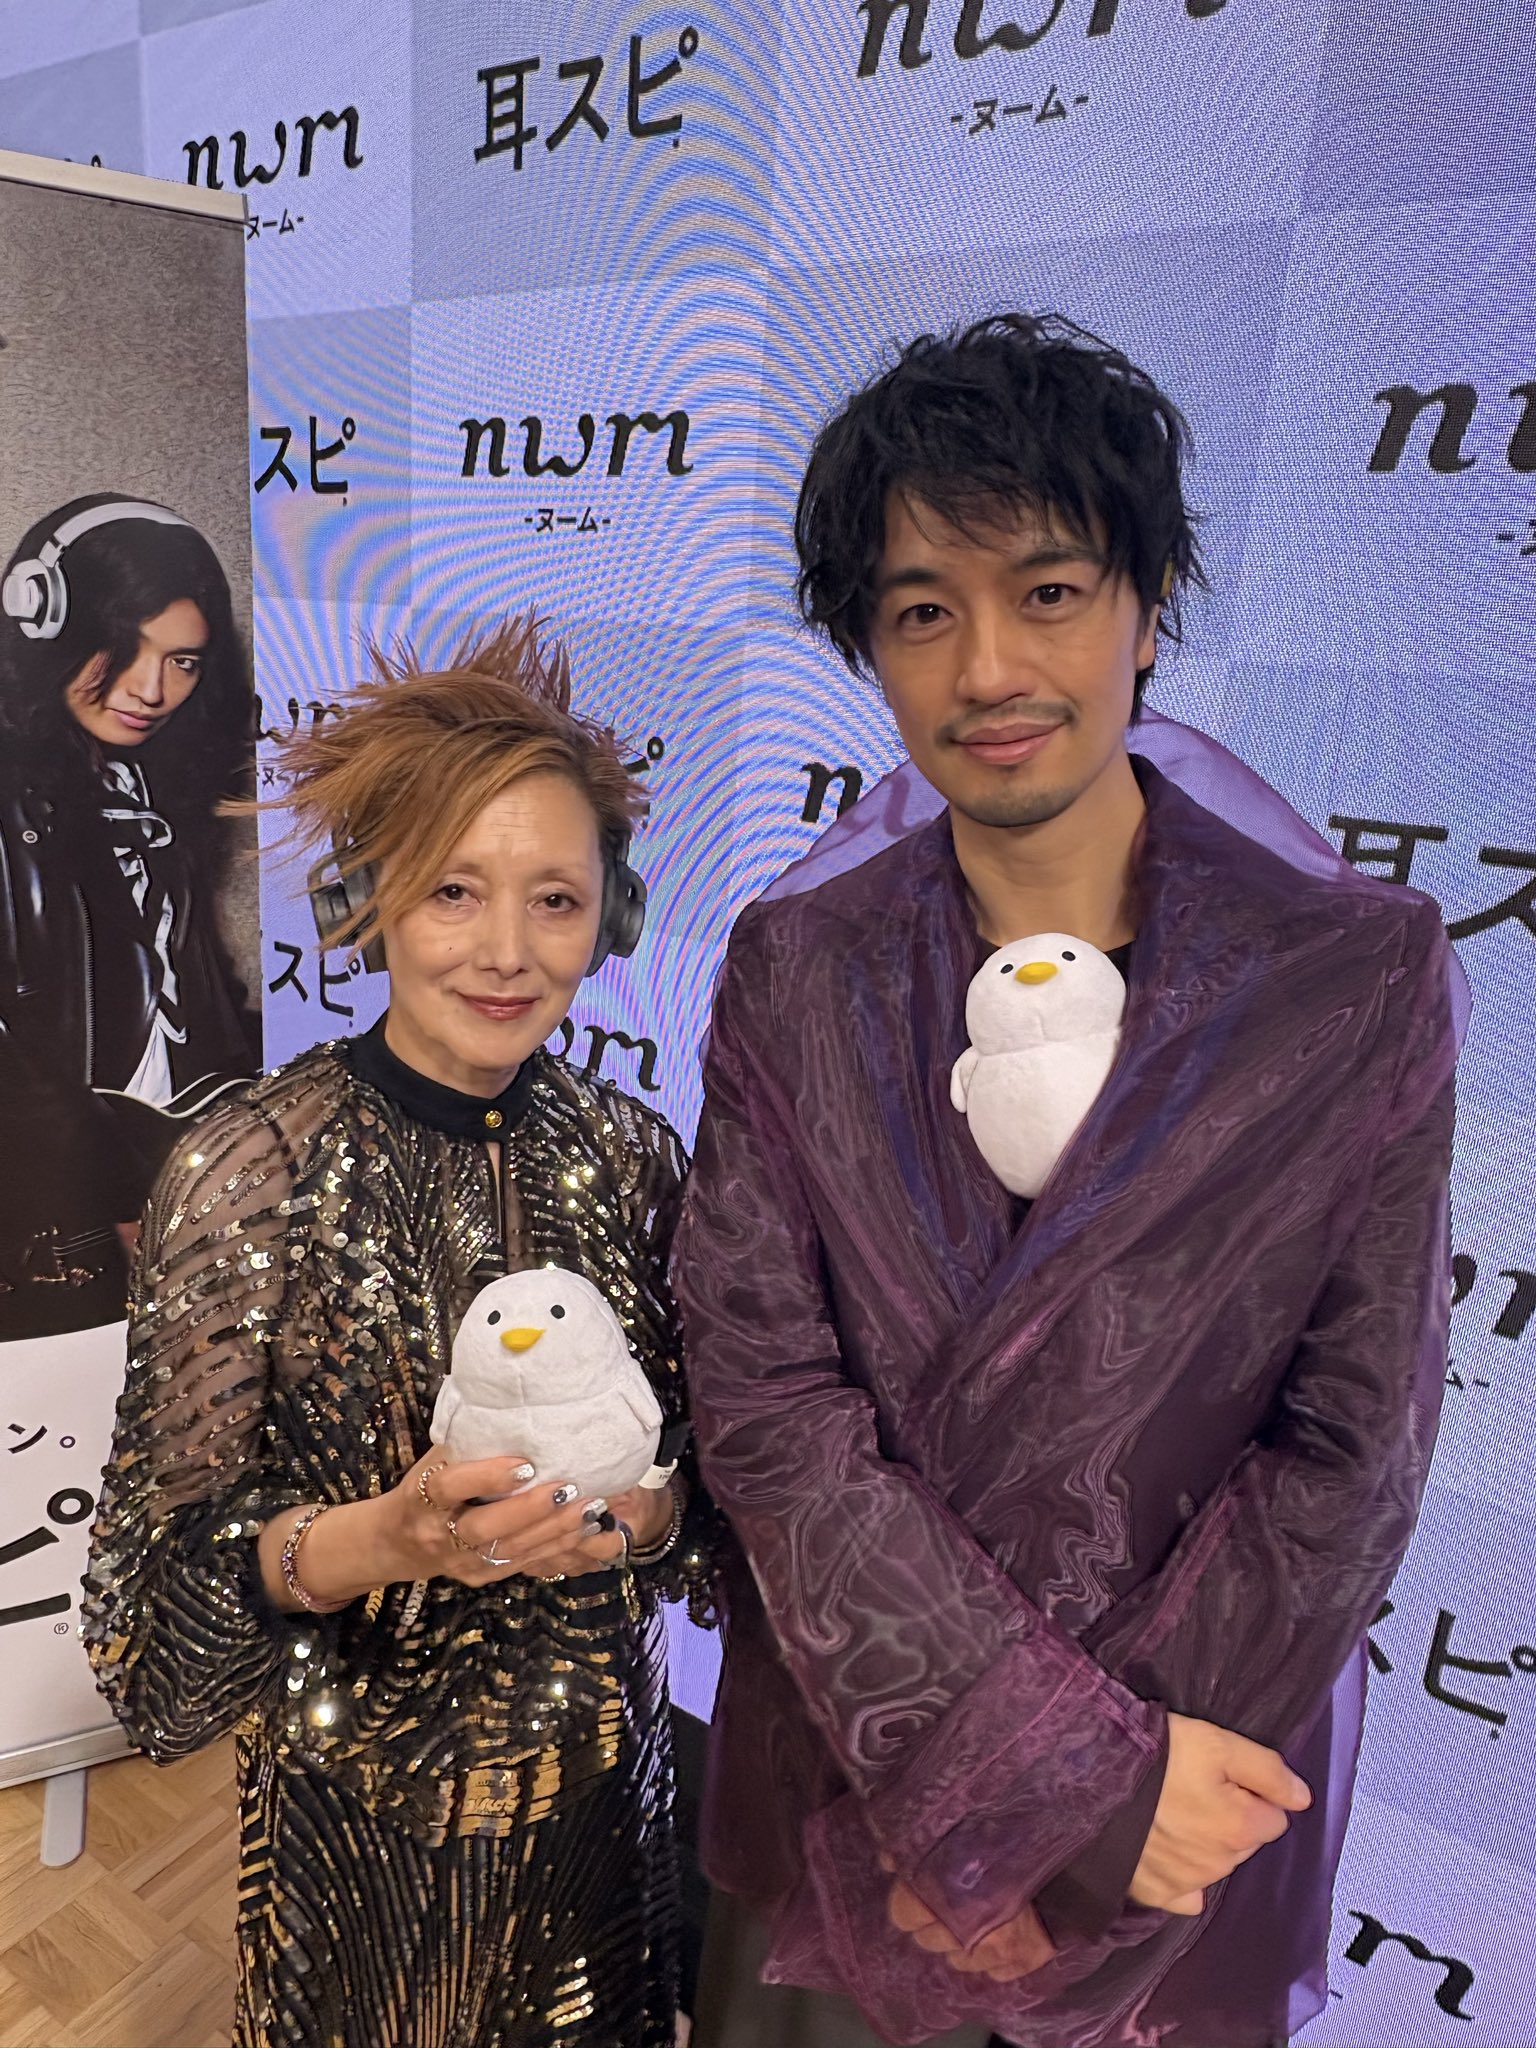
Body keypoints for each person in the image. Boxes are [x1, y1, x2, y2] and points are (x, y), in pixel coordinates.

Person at [673, 315, 1459, 2048]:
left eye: (1046, 592)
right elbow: (764, 1397)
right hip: (857, 1781)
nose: (988, 668)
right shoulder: (796, 969)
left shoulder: (1349, 976)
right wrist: (1018, 1780)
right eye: (920, 613)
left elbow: (1353, 1443)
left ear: (1146, 606)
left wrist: (1098, 1813)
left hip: (1187, 1806)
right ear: (867, 647)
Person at [83, 621, 720, 2048]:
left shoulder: (637, 1159)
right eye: (452, 890)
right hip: (354, 1846)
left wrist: (642, 1517)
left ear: (612, 918)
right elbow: (147, 1609)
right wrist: (393, 1538)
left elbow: (708, 1489)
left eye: (555, 900)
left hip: (600, 1817)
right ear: (365, 900)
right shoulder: (250, 1168)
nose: (507, 952)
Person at [0, 493, 261, 1340]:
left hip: (173, 1185)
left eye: (182, 662)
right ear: (44, 622)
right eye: (121, 648)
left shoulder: (151, 783)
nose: (151, 690)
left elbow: (192, 986)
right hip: (56, 1219)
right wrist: (106, 1190)